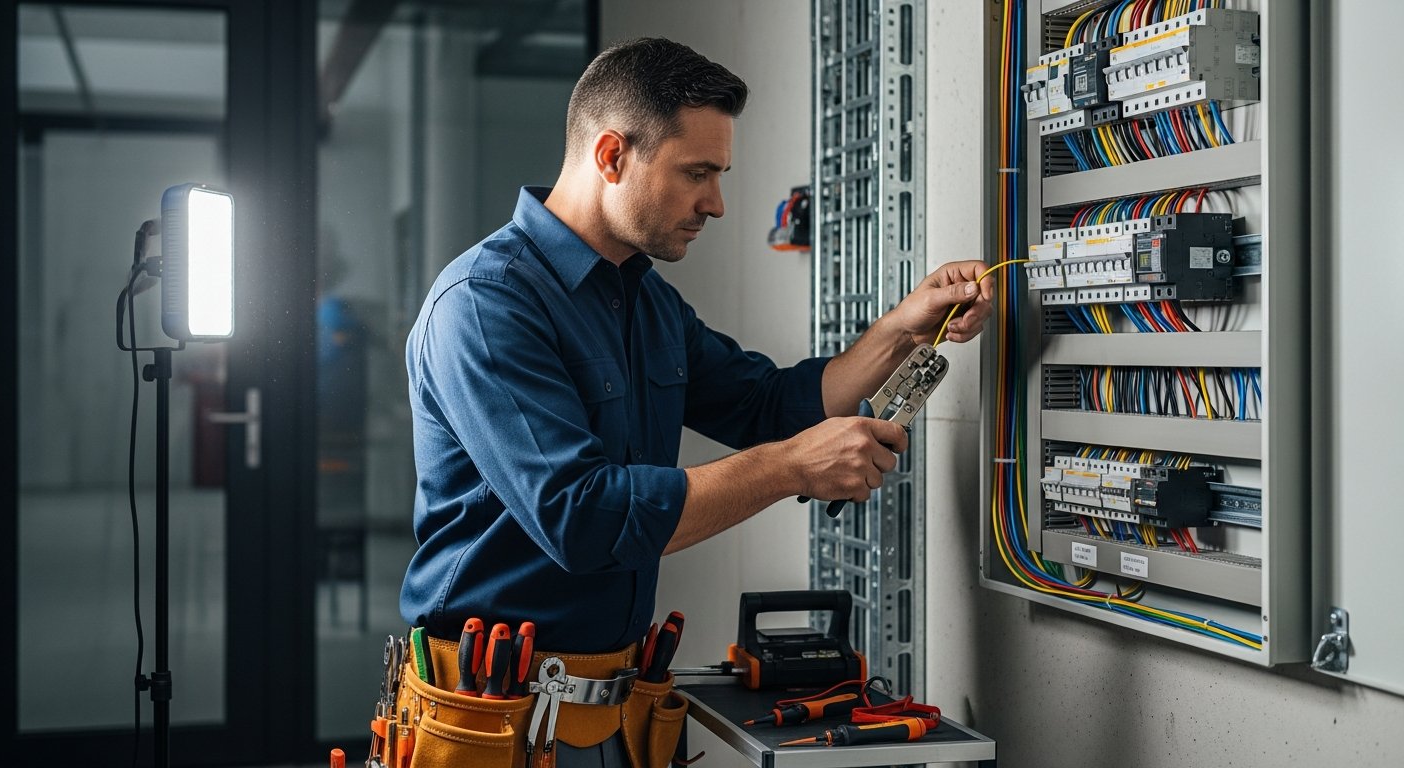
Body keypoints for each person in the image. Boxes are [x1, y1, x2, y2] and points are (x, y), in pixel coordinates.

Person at [401, 37, 993, 765]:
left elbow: (775, 404)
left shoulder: (647, 304)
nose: (714, 202)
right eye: (697, 173)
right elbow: (581, 517)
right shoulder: (486, 307)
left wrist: (906, 327)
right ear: (612, 155)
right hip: (491, 724)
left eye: (719, 174)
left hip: (614, 716)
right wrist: (788, 469)